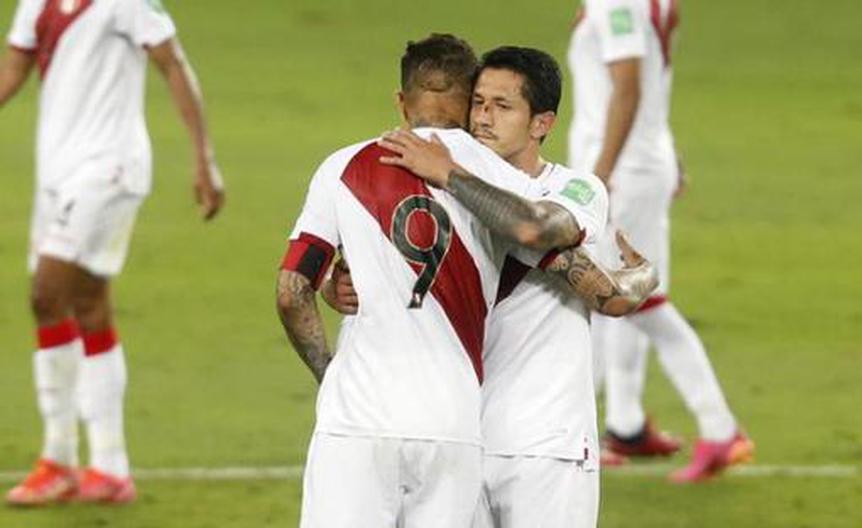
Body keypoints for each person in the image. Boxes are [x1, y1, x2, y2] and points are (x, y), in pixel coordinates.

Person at [276, 34, 614, 527]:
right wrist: (626, 286)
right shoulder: (496, 180)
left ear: (400, 99)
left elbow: (291, 292)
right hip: (452, 425)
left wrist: (330, 374)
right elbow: (555, 248)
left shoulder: (344, 166)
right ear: (464, 100)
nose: (485, 117)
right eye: (480, 103)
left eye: (500, 105)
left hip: (361, 420)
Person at [1, 0, 224, 505]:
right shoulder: (34, 4)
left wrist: (204, 159)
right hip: (55, 174)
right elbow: (12, 69)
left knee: (46, 294)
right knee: (87, 304)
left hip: (110, 169)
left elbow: (173, 64)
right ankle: (109, 467)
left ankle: (57, 460)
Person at [568, 0, 753, 481]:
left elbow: (628, 86)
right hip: (646, 161)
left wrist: (602, 172)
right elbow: (652, 85)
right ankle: (624, 424)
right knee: (623, 293)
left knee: (624, 296)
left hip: (623, 170)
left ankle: (718, 426)